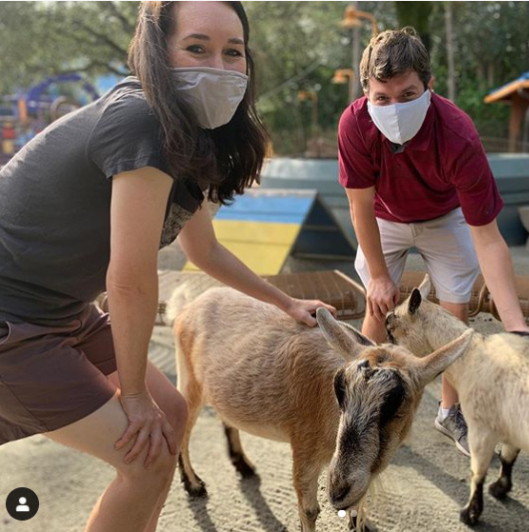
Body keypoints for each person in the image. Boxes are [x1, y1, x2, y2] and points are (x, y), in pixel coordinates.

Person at [0, 2, 335, 531]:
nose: (219, 67)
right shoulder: (141, 120)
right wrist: (133, 397)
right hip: (15, 320)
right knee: (147, 457)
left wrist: (286, 302)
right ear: (158, 52)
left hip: (63, 311)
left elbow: (206, 252)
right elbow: (129, 280)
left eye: (233, 52)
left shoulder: (189, 136)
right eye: (197, 48)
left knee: (173, 414)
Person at [337, 28, 529, 458]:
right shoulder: (354, 123)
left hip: (444, 216)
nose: (395, 108)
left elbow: (488, 238)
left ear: (429, 86)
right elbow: (359, 205)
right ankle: (360, 409)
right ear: (366, 92)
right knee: (377, 305)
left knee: (454, 309)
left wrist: (517, 328)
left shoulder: (457, 132)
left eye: (407, 95)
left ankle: (448, 411)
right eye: (382, 98)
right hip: (384, 215)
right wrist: (380, 277)